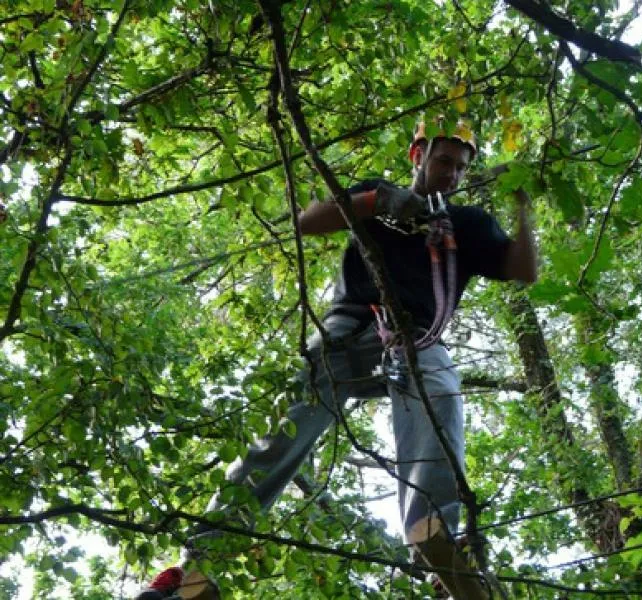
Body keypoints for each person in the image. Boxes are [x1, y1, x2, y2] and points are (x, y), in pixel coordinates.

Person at [134, 121, 537, 599]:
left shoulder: (465, 225)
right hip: (349, 330)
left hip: (417, 339)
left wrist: (523, 205)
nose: (451, 174)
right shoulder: (375, 195)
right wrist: (379, 204)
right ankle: (195, 564)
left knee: (441, 398)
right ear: (418, 156)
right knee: (283, 433)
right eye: (444, 162)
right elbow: (308, 221)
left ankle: (438, 543)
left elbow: (523, 270)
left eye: (461, 168)